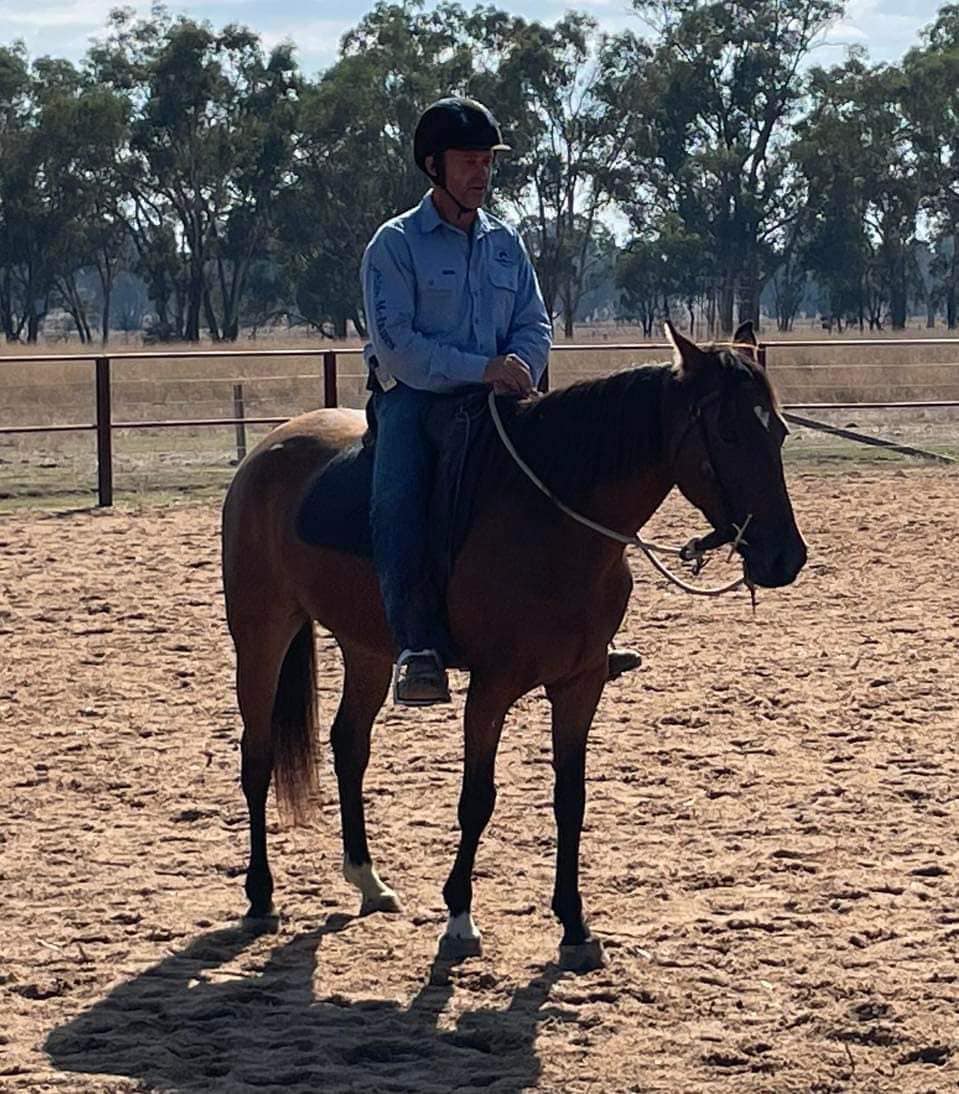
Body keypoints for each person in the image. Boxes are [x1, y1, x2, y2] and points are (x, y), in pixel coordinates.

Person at [361, 96, 639, 707]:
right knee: (398, 500)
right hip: (415, 399)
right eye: (469, 161)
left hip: (499, 394)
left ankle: (584, 633)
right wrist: (481, 368)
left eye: (487, 161)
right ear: (433, 165)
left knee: (568, 478)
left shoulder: (505, 243)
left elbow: (534, 322)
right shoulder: (395, 245)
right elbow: (398, 345)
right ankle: (416, 647)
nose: (481, 172)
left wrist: (520, 369)